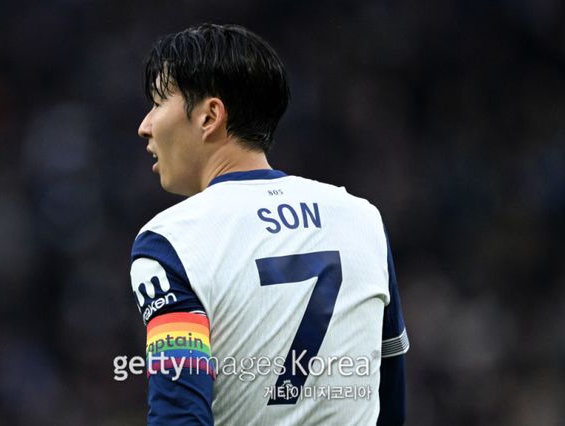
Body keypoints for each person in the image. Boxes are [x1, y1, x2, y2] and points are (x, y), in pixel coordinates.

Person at [130, 23, 409, 425]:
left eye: (158, 102)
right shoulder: (361, 218)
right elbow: (390, 397)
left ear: (209, 116)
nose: (145, 125)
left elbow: (179, 415)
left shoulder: (170, 242)